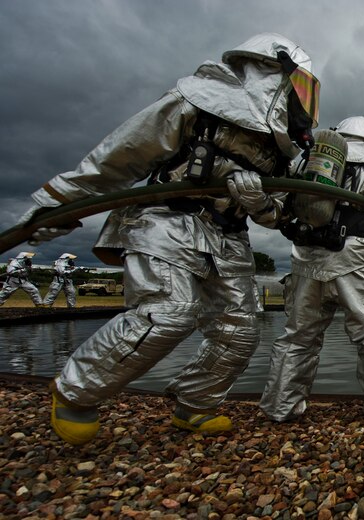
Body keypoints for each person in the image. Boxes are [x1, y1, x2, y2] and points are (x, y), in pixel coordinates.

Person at [14, 33, 320, 445]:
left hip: (228, 235)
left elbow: (278, 214)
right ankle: (76, 392)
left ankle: (195, 404)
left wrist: (258, 200)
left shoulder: (284, 153)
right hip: (165, 219)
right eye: (300, 86)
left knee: (241, 329)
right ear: (270, 73)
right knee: (169, 312)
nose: (304, 102)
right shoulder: (198, 101)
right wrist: (54, 206)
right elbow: (121, 156)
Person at [260, 116, 364, 422]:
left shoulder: (306, 165)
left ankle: (281, 406)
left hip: (306, 257)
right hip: (354, 257)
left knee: (298, 335)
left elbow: (277, 209)